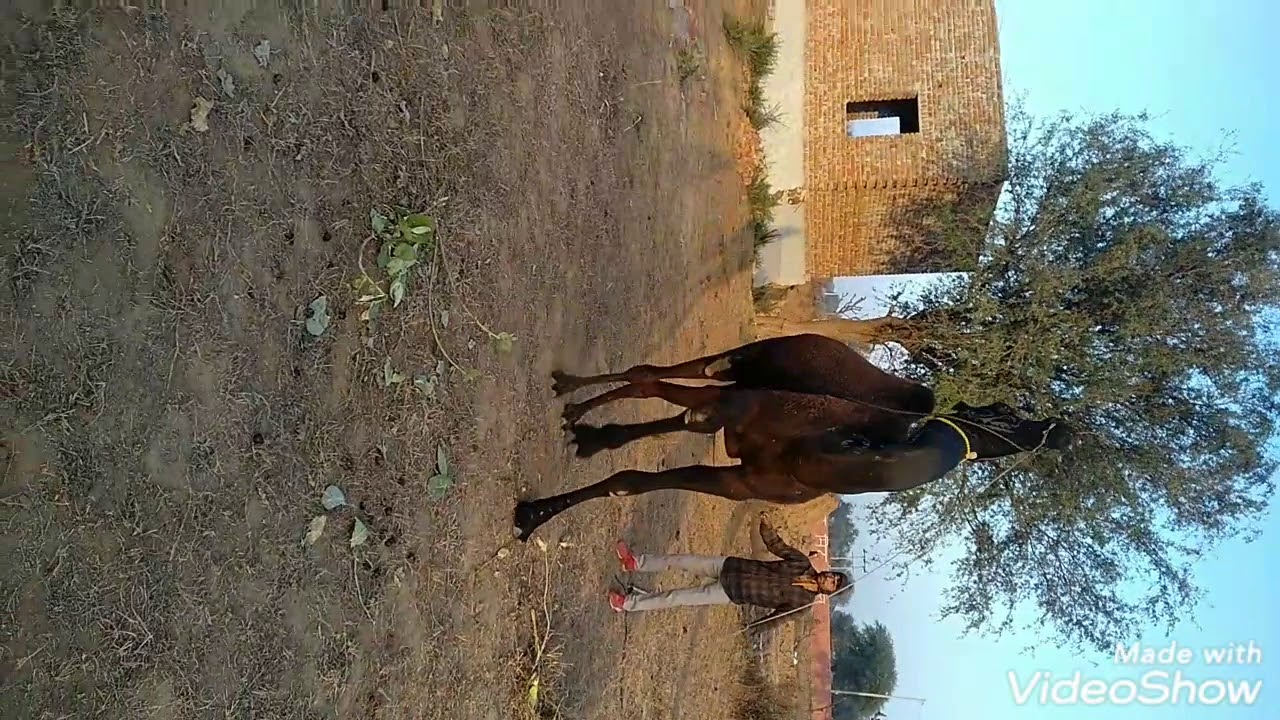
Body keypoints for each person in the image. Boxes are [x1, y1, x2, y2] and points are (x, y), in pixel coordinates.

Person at [607, 512, 851, 621]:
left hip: (730, 593)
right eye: (833, 576)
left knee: (675, 597)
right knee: (679, 560)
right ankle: (635, 563)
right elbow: (778, 546)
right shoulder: (802, 563)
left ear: (829, 592)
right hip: (730, 566)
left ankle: (627, 604)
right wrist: (765, 526)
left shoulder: (802, 604)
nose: (830, 578)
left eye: (833, 584)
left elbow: (775, 619)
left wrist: (753, 629)